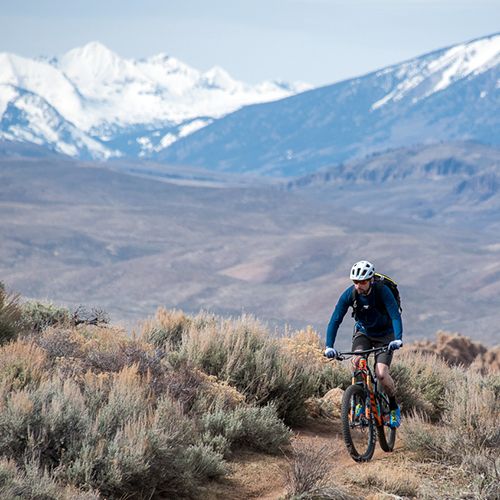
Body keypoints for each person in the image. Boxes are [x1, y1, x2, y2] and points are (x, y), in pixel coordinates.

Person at [324, 260, 403, 427]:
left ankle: (394, 407)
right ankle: (359, 401)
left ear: (371, 280)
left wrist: (398, 339)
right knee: (357, 362)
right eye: (355, 282)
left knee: (381, 373)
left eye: (363, 281)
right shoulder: (349, 294)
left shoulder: (383, 291)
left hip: (385, 335)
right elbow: (335, 320)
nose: (359, 285)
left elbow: (395, 315)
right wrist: (329, 346)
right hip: (364, 333)